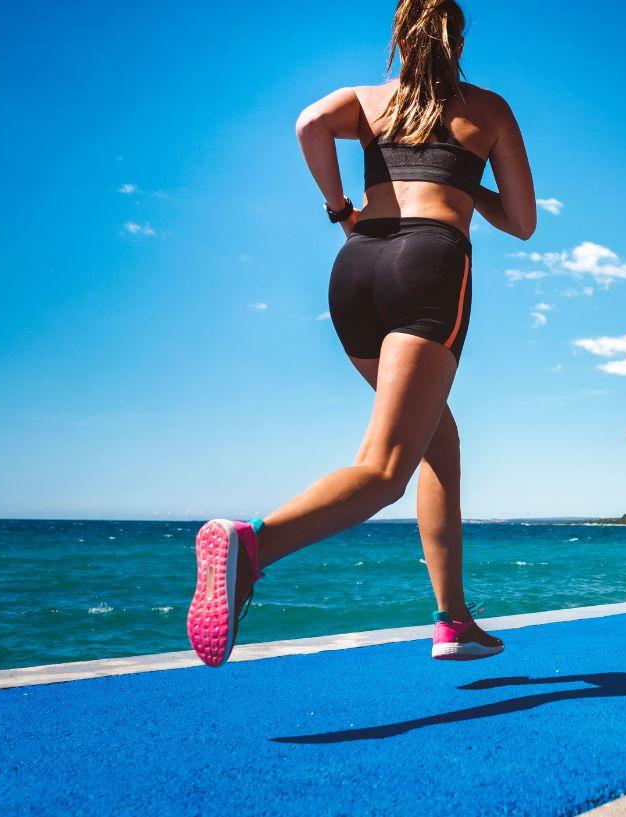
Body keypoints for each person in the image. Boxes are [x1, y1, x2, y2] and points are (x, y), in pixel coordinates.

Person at [185, 0, 536, 668]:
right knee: (385, 467)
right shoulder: (487, 109)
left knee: (439, 437)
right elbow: (522, 221)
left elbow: (310, 124)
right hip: (428, 265)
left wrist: (340, 207)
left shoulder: (368, 99)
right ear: (459, 40)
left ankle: (453, 618)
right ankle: (252, 544)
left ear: (398, 39)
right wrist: (465, 180)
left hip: (356, 268)